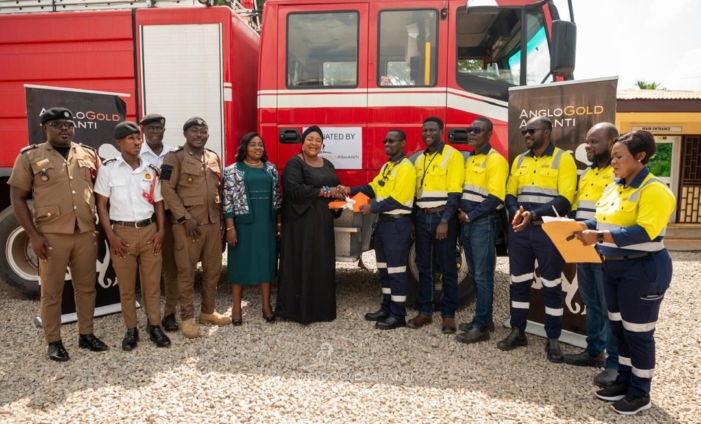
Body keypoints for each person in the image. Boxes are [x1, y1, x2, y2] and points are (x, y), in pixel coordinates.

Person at [574, 130, 674, 416]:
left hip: (642, 269)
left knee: (639, 334)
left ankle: (640, 393)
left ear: (640, 156)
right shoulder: (615, 186)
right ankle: (625, 381)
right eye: (613, 156)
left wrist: (598, 237)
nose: (614, 161)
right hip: (613, 267)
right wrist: (581, 226)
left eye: (619, 156)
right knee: (618, 329)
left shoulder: (654, 190)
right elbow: (602, 219)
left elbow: (644, 231)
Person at [8, 107, 108, 361]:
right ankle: (53, 341)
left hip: (85, 233)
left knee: (86, 288)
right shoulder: (30, 156)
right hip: (52, 236)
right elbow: (17, 198)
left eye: (68, 123)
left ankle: (86, 334)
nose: (64, 128)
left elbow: (101, 192)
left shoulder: (88, 154)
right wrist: (33, 235)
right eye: (56, 124)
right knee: (52, 292)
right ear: (44, 128)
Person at [498, 116, 577, 362]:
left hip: (548, 230)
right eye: (524, 131)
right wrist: (516, 213)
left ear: (547, 132)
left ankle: (553, 338)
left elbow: (565, 199)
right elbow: (509, 193)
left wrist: (533, 215)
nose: (527, 135)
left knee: (551, 285)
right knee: (518, 282)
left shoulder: (563, 159)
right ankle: (518, 331)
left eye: (532, 130)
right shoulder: (520, 160)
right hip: (520, 230)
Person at [95, 122, 171, 350]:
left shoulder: (151, 169)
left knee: (152, 285)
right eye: (131, 138)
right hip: (122, 234)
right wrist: (111, 237)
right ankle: (131, 329)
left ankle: (154, 326)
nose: (138, 142)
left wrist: (161, 231)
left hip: (149, 232)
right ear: (119, 142)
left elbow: (159, 203)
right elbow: (101, 205)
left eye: (138, 138)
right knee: (127, 287)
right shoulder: (108, 169)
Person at [338, 130, 416, 330]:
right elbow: (373, 188)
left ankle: (398, 315)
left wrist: (372, 208)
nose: (387, 144)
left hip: (397, 224)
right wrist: (350, 190)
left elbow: (398, 199)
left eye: (392, 141)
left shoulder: (406, 168)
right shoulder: (388, 166)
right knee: (384, 269)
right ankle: (386, 308)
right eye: (385, 141)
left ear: (403, 143)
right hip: (384, 224)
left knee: (396, 270)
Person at [160, 117, 230, 339]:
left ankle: (208, 312)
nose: (199, 135)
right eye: (194, 131)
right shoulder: (175, 156)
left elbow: (219, 189)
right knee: (186, 272)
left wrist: (221, 220)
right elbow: (166, 189)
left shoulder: (213, 157)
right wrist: (184, 218)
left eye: (203, 131)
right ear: (185, 134)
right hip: (188, 226)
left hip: (212, 224)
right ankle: (187, 318)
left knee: (213, 271)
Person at [563, 122, 619, 386]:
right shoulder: (587, 173)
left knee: (609, 306)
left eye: (595, 141)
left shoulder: (618, 174)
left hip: (604, 246)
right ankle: (594, 350)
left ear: (612, 142)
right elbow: (578, 207)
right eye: (587, 141)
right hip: (582, 244)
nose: (588, 146)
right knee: (590, 300)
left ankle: (614, 363)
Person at [276, 126, 342, 324]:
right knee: (301, 262)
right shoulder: (294, 163)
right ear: (303, 142)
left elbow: (335, 186)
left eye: (318, 140)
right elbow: (294, 190)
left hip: (323, 222)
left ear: (322, 144)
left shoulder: (328, 164)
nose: (314, 143)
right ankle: (297, 311)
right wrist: (324, 191)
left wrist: (339, 197)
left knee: (322, 262)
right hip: (301, 223)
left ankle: (321, 310)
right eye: (310, 139)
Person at [408, 116, 465, 334]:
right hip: (422, 218)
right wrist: (414, 221)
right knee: (424, 267)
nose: (428, 134)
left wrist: (445, 221)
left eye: (432, 130)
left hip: (442, 217)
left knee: (448, 268)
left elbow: (455, 193)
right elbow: (416, 194)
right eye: (425, 130)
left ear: (442, 131)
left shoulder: (453, 155)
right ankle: (425, 311)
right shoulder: (420, 159)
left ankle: (448, 316)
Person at [454, 118, 508, 344]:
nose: (472, 133)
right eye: (469, 130)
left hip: (483, 223)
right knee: (475, 274)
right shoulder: (470, 159)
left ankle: (481, 327)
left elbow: (496, 197)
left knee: (483, 276)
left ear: (489, 134)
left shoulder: (496, 160)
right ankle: (485, 319)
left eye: (477, 130)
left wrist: (470, 216)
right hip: (468, 224)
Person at [223, 132, 282, 326]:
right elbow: (227, 201)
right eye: (253, 145)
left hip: (266, 224)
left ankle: (266, 306)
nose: (258, 148)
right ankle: (236, 308)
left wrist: (279, 224)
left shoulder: (271, 169)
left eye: (260, 145)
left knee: (266, 263)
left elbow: (277, 198)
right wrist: (230, 228)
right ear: (244, 148)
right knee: (239, 264)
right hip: (242, 225)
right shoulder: (232, 170)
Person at [139, 113, 179, 332]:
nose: (155, 132)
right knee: (149, 273)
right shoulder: (136, 154)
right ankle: (151, 316)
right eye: (150, 128)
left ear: (164, 130)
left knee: (172, 268)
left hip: (170, 217)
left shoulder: (173, 154)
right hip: (147, 219)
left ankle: (170, 313)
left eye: (158, 128)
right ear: (143, 131)